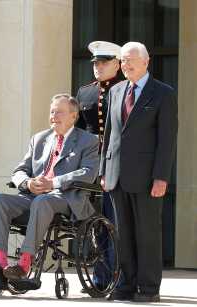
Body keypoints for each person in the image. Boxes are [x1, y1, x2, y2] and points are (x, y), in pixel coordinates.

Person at [0, 94, 99, 281]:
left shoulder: (88, 141)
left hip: (65, 198)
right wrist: (27, 183)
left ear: (74, 116)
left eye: (59, 112)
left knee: (43, 201)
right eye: (52, 111)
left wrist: (54, 182)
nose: (53, 116)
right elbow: (19, 171)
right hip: (33, 196)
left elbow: (88, 173)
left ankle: (24, 264)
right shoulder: (39, 139)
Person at [100, 42, 178, 303]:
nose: (126, 65)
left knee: (147, 234)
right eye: (122, 61)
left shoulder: (163, 93)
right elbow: (109, 135)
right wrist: (104, 171)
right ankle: (126, 284)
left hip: (147, 178)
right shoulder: (116, 91)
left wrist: (162, 177)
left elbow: (167, 140)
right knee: (122, 235)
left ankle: (147, 287)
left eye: (131, 60)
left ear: (146, 62)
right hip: (116, 175)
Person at [76, 41, 122, 291]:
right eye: (95, 63)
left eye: (104, 63)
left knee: (113, 220)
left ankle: (118, 278)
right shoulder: (85, 92)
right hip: (91, 165)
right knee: (92, 224)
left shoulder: (124, 89)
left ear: (117, 64)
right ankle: (100, 278)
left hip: (117, 165)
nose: (98, 67)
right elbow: (79, 131)